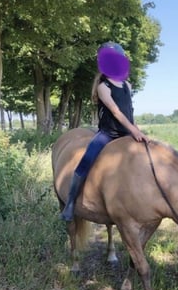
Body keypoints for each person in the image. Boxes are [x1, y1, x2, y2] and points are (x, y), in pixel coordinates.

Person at [60, 42, 149, 221]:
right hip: (108, 134)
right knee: (86, 160)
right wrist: (133, 129)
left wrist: (136, 130)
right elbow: (115, 111)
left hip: (127, 133)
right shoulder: (103, 87)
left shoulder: (127, 86)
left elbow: (128, 111)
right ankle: (70, 203)